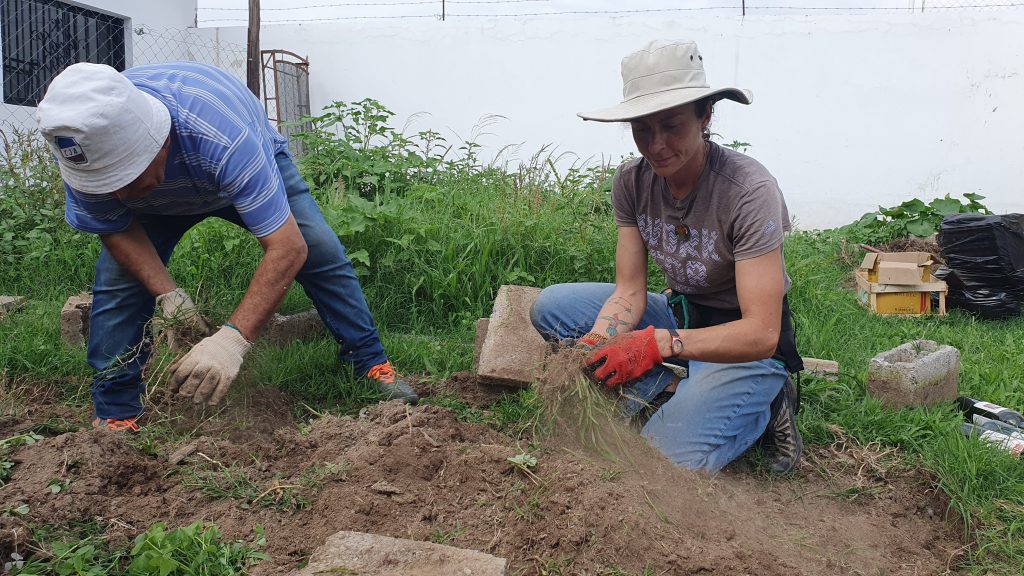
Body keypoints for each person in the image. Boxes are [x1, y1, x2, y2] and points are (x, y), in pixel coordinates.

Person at [36, 61, 418, 432]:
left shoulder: (221, 137)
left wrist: (232, 341)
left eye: (127, 176)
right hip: (170, 181)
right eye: (107, 183)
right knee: (120, 283)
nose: (119, 194)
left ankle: (370, 362)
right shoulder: (85, 150)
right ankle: (116, 411)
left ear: (161, 140)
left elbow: (287, 248)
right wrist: (169, 295)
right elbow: (117, 230)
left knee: (319, 250)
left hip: (229, 155)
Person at [531, 40, 804, 474]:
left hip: (743, 342)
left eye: (672, 126)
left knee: (661, 458)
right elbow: (629, 291)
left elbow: (761, 332)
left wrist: (658, 344)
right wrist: (598, 341)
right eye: (642, 129)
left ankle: (768, 402)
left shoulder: (748, 191)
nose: (656, 145)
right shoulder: (632, 182)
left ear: (705, 115)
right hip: (681, 315)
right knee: (552, 307)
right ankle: (671, 386)